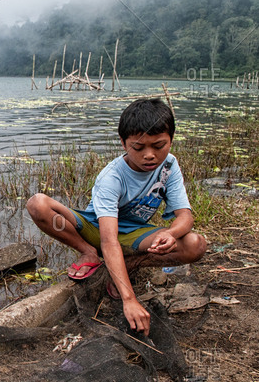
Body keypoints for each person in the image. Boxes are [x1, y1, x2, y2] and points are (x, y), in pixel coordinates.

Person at [26, 98, 207, 336]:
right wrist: (129, 299)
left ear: (171, 139)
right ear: (123, 143)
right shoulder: (112, 177)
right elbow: (109, 240)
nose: (149, 156)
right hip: (96, 229)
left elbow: (185, 216)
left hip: (134, 234)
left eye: (159, 145)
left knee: (195, 244)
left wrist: (172, 234)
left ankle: (126, 266)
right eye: (139, 148)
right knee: (38, 204)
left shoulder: (169, 166)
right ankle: (89, 253)